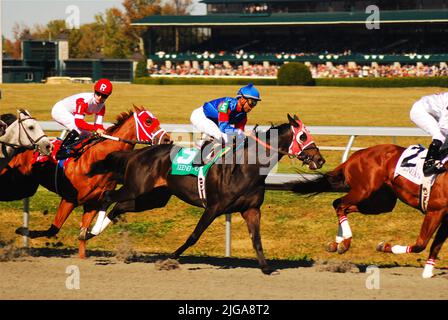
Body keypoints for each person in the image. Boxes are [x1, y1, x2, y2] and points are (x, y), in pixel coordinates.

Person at [51, 78, 113, 160]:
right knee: (79, 130)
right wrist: (95, 129)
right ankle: (60, 152)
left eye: (104, 96)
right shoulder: (83, 101)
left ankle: (76, 149)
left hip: (72, 113)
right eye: (98, 93)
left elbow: (98, 125)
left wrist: (105, 132)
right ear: (94, 91)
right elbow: (79, 123)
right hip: (60, 110)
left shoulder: (102, 107)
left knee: (88, 135)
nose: (100, 98)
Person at [190, 83, 261, 145]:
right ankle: (200, 147)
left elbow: (238, 135)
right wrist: (243, 133)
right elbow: (223, 128)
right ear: (242, 99)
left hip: (215, 122)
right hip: (201, 117)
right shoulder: (226, 104)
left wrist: (246, 136)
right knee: (223, 138)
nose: (252, 106)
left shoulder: (243, 116)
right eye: (252, 102)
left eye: (255, 103)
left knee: (231, 141)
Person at [410, 91, 448, 176]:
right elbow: (444, 125)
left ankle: (439, 156)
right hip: (420, 111)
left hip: (432, 112)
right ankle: (429, 164)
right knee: (440, 134)